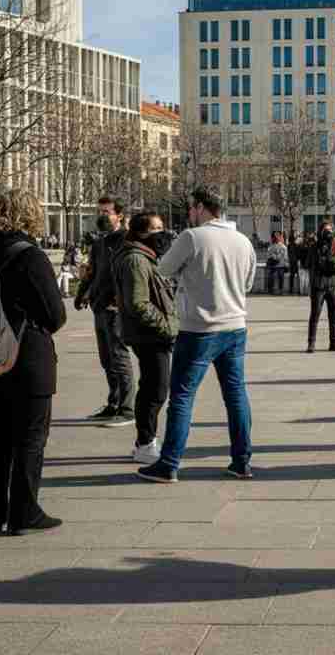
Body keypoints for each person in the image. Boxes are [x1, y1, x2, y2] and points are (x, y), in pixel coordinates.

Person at [137, 188, 257, 483]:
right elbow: (249, 283)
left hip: (199, 329)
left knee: (182, 396)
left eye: (191, 208)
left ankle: (169, 463)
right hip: (235, 326)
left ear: (201, 207)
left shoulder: (192, 237)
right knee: (236, 395)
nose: (189, 212)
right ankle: (241, 461)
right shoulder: (243, 241)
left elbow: (163, 269)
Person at [0, 190, 67, 535]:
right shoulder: (30, 256)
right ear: (32, 216)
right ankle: (25, 513)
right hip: (28, 358)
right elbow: (55, 315)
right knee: (30, 439)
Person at [113, 212, 176, 466]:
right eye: (156, 228)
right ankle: (145, 443)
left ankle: (145, 441)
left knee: (154, 386)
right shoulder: (136, 260)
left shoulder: (143, 257)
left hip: (151, 333)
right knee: (156, 389)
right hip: (149, 334)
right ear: (141, 233)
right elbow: (138, 303)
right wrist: (167, 325)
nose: (162, 233)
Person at [75, 196, 135, 428]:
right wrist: (82, 293)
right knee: (107, 359)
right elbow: (91, 271)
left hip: (116, 308)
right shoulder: (99, 243)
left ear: (119, 215)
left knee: (119, 357)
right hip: (99, 307)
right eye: (99, 211)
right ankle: (114, 402)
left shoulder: (126, 240)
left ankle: (127, 408)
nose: (102, 216)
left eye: (107, 212)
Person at [307, 220, 335, 353]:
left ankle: (334, 342)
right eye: (325, 231)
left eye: (330, 231)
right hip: (319, 287)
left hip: (333, 287)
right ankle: (311, 343)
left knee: (333, 317)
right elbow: (310, 264)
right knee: (315, 315)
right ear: (320, 232)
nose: (328, 233)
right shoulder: (314, 247)